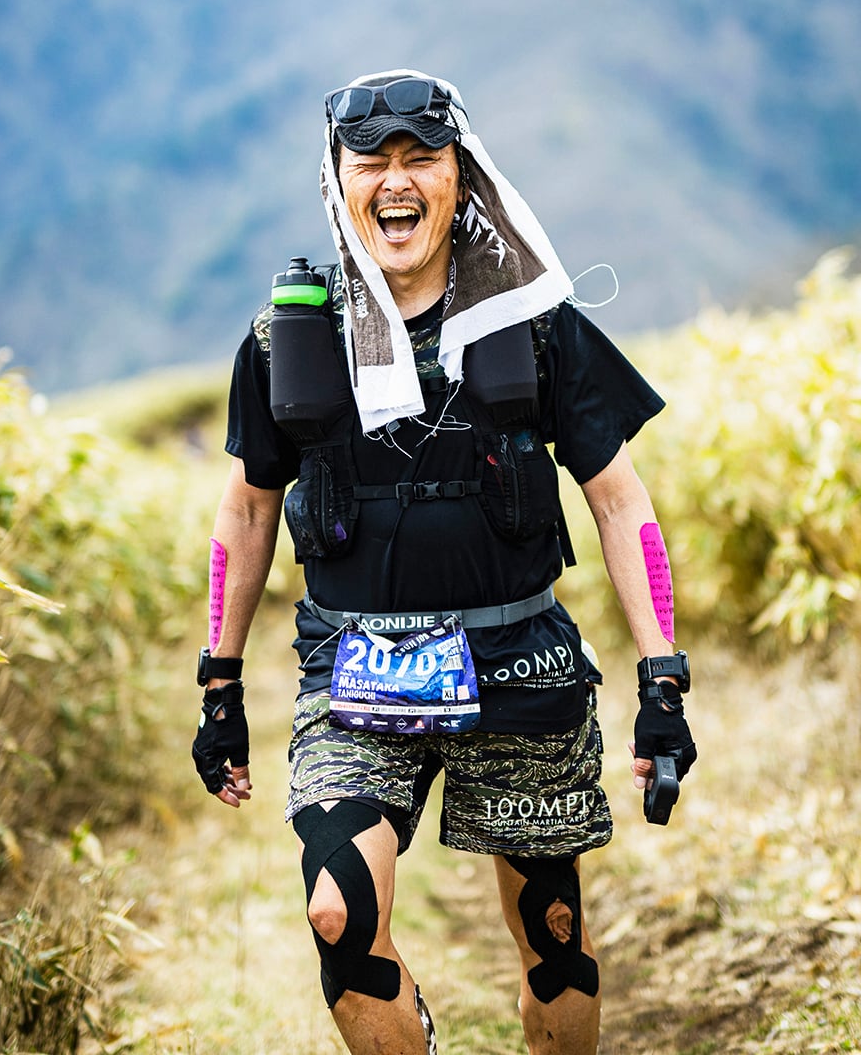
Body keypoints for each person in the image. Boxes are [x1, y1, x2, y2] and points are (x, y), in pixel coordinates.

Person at [191, 70, 697, 1055]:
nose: (396, 179)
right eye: (370, 161)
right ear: (337, 181)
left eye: (420, 158)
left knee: (554, 937)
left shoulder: (535, 322)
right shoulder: (287, 340)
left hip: (519, 662)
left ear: (460, 175)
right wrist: (219, 682)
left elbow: (619, 498)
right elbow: (246, 509)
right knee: (337, 913)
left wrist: (662, 673)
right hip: (354, 668)